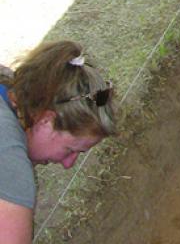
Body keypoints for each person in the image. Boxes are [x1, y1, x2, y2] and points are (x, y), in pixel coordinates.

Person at [0, 41, 116, 243]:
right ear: (46, 121)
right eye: (70, 149)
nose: (68, 164)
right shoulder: (12, 163)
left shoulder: (8, 88)